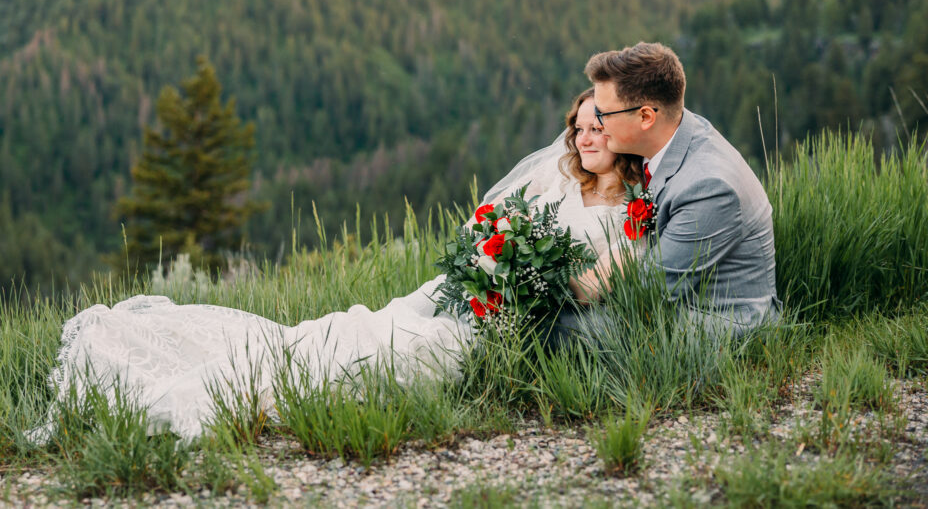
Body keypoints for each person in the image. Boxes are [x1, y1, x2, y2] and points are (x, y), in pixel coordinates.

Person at [32, 90, 640, 443]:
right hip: (468, 297)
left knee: (403, 358)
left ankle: (264, 394)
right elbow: (485, 227)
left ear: (620, 129)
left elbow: (596, 285)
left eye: (597, 126)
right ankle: (238, 383)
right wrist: (494, 257)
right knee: (354, 332)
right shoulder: (553, 184)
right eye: (578, 126)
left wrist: (536, 278)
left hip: (509, 322)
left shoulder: (634, 214)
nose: (584, 137)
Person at [582, 41, 779, 338]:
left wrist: (576, 287)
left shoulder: (710, 188)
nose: (597, 124)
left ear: (646, 117)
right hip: (676, 301)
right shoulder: (676, 130)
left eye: (604, 114)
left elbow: (647, 294)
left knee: (551, 326)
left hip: (717, 324)